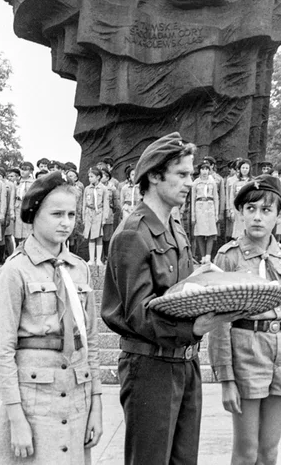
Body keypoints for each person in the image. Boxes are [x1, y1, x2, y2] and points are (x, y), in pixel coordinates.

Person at [101, 132, 241, 465]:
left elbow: (179, 290)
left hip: (184, 362)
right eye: (182, 174)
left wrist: (206, 279)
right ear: (154, 175)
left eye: (191, 174)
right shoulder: (133, 234)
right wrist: (194, 329)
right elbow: (139, 315)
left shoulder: (174, 226)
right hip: (151, 366)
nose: (190, 183)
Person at [0, 171, 102, 463]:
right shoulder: (15, 271)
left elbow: (90, 340)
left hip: (76, 396)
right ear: (34, 214)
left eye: (71, 214)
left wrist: (96, 406)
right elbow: (1, 350)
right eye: (56, 214)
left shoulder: (79, 268)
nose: (66, 222)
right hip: (33, 402)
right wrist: (16, 419)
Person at [209, 175, 281, 465]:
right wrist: (226, 378)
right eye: (251, 209)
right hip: (246, 354)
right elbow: (218, 324)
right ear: (240, 213)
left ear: (279, 216)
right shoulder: (228, 257)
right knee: (246, 452)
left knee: (269, 452)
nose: (257, 217)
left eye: (266, 211)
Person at [190, 161, 219, 263]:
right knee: (200, 233)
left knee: (211, 232)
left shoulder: (212, 182)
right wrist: (193, 215)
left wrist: (216, 213)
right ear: (199, 170)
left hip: (210, 207)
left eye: (207, 169)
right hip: (200, 207)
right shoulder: (195, 183)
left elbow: (216, 198)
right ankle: (202, 256)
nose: (205, 171)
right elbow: (193, 199)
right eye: (202, 169)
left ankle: (208, 256)